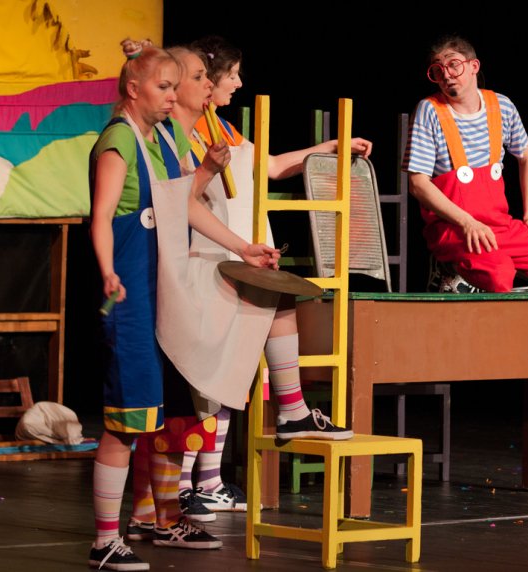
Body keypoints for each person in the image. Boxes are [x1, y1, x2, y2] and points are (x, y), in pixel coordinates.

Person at [124, 43, 364, 539]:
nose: (229, 84)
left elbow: (267, 166)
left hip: (230, 252)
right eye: (219, 76)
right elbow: (177, 200)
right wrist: (206, 174)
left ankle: (210, 477)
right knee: (196, 383)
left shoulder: (219, 129)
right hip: (197, 260)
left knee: (243, 351)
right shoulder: (168, 136)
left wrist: (326, 149)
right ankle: (169, 497)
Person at [88, 39, 280, 570]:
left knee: (173, 415)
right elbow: (102, 215)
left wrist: (243, 247)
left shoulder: (164, 139)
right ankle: (104, 540)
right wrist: (107, 271)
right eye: (164, 87)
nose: (173, 97)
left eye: (177, 87)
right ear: (133, 89)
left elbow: (184, 205)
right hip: (131, 294)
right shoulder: (119, 140)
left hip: (167, 290)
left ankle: (166, 519)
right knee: (127, 420)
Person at [402, 35, 528, 293]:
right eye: (438, 70)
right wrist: (467, 222)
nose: (446, 75)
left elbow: (527, 157)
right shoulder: (430, 110)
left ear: (474, 66)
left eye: (453, 65)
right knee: (498, 274)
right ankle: (449, 269)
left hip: (499, 226)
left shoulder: (501, 106)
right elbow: (417, 184)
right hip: (454, 228)